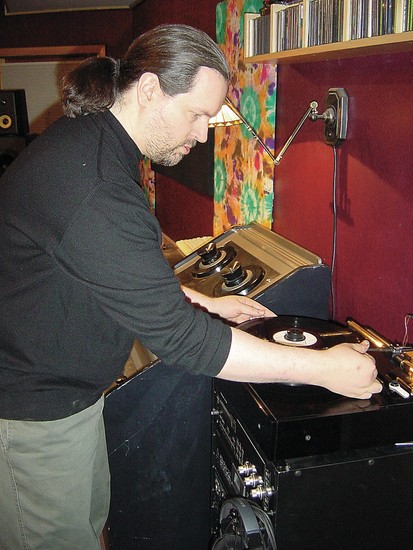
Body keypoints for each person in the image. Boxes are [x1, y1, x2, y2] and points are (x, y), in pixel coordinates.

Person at [0, 24, 380, 550]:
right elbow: (184, 342)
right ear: (150, 89)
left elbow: (104, 273)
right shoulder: (94, 184)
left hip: (69, 398)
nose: (202, 134)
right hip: (32, 416)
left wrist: (201, 300)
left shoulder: (93, 145)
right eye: (197, 114)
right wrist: (325, 369)